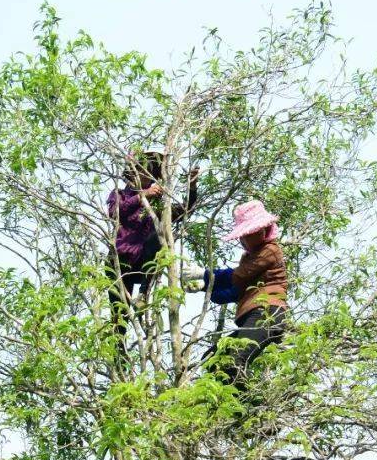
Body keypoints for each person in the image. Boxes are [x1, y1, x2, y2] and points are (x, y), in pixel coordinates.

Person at [107, 152, 199, 334]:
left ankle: (143, 293)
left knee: (160, 233)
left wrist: (192, 188)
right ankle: (119, 358)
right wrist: (143, 196)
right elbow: (115, 212)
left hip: (142, 264)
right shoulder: (120, 194)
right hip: (121, 262)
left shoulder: (158, 206)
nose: (142, 177)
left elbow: (183, 210)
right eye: (139, 171)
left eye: (147, 173)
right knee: (119, 319)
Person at [204, 199, 288, 379]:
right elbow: (235, 291)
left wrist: (205, 275)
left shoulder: (270, 250)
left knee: (235, 360)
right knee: (214, 360)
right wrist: (206, 288)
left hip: (266, 314)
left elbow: (237, 276)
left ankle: (250, 403)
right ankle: (225, 402)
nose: (243, 240)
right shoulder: (250, 257)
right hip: (253, 315)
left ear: (262, 231)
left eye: (247, 234)